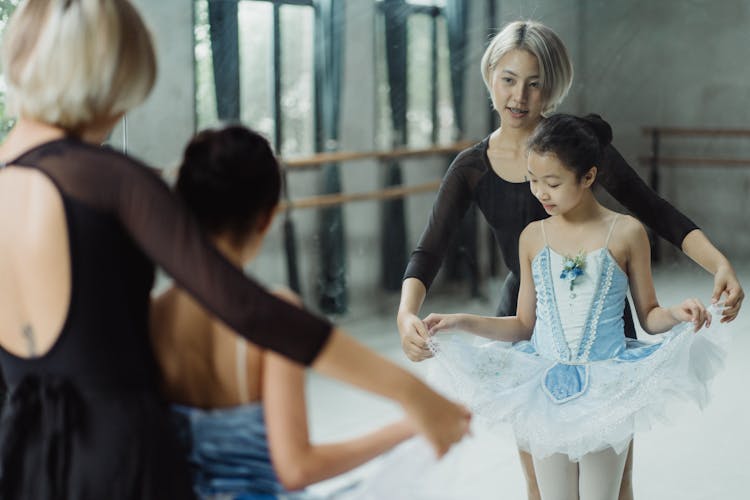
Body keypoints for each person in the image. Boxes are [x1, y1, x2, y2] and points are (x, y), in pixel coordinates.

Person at [0, 1, 468, 498]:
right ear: (99, 82)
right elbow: (247, 308)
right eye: (123, 96)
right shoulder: (107, 178)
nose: (119, 115)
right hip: (124, 462)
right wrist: (414, 395)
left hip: (25, 460)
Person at [397, 19, 743, 500]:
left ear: (553, 89)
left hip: (601, 327)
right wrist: (405, 311)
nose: (519, 96)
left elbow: (654, 210)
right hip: (525, 324)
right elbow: (428, 250)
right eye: (508, 79)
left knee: (614, 482)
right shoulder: (472, 167)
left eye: (535, 84)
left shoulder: (579, 149)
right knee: (539, 482)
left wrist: (719, 263)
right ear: (490, 77)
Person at [151, 125, 417, 499]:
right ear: (266, 217)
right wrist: (405, 429)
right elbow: (295, 468)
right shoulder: (273, 315)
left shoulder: (152, 313)